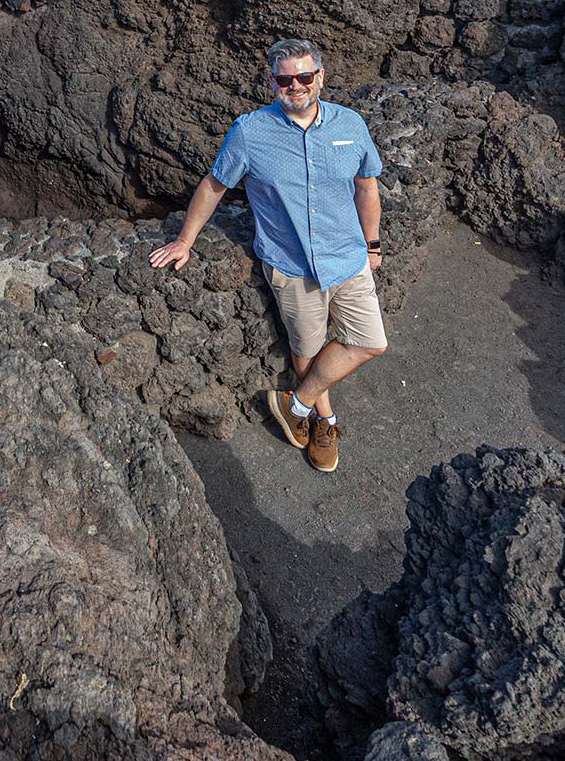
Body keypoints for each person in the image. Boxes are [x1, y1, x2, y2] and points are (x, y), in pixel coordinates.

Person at [148, 37, 388, 473]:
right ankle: (323, 419)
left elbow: (366, 187)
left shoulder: (350, 125)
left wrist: (372, 245)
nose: (294, 85)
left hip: (348, 258)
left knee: (371, 342)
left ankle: (295, 404)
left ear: (320, 77)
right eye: (284, 78)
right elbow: (214, 186)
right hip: (291, 266)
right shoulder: (250, 132)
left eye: (303, 76)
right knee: (307, 348)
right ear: (273, 82)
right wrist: (184, 241)